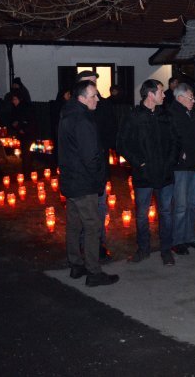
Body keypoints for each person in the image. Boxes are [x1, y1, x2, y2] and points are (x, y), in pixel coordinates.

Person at [59, 80, 119, 287]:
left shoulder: (68, 115)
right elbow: (90, 156)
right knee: (93, 226)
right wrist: (99, 179)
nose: (98, 99)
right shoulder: (83, 120)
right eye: (93, 96)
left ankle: (76, 264)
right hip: (84, 183)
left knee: (75, 225)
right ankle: (94, 272)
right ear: (81, 98)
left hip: (71, 180)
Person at [117, 79, 178, 265]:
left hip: (165, 175)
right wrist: (139, 163)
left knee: (166, 213)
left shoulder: (166, 116)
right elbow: (122, 144)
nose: (165, 94)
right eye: (161, 91)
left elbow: (176, 142)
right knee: (142, 214)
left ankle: (166, 250)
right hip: (143, 176)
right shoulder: (133, 116)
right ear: (150, 94)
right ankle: (143, 249)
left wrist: (169, 163)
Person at [75, 70, 117, 262]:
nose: (94, 86)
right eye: (89, 83)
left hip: (99, 166)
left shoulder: (103, 105)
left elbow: (110, 130)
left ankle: (99, 245)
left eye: (95, 82)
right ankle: (83, 248)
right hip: (82, 171)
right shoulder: (74, 110)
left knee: (100, 209)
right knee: (84, 213)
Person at [169, 83, 195, 255]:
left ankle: (190, 236)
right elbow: (171, 139)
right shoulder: (172, 115)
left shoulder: (190, 113)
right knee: (181, 205)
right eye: (190, 97)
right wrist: (181, 154)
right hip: (180, 167)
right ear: (180, 98)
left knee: (193, 203)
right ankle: (177, 240)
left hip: (192, 165)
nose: (193, 100)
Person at [8, 91, 36, 176]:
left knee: (26, 154)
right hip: (23, 134)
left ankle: (27, 172)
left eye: (15, 99)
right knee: (25, 154)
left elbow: (30, 121)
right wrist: (16, 125)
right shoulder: (16, 109)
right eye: (13, 99)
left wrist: (23, 129)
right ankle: (28, 170)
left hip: (28, 134)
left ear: (19, 99)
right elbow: (14, 121)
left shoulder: (25, 108)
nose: (13, 101)